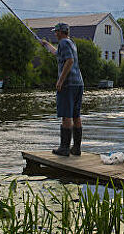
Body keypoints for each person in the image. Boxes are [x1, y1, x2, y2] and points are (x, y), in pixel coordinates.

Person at [41, 23, 84, 157]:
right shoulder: (70, 43)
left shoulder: (64, 43)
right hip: (78, 83)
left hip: (68, 85)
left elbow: (69, 61)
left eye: (56, 32)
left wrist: (60, 80)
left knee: (66, 115)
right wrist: (46, 45)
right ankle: (76, 149)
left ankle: (64, 149)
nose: (55, 34)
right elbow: (58, 54)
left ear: (61, 32)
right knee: (76, 115)